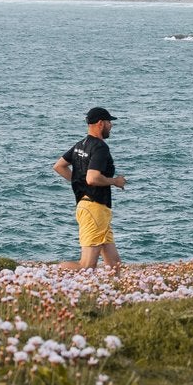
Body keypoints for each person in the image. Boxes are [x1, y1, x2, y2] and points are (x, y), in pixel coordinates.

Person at [53, 107, 125, 271]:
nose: (111, 126)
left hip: (91, 207)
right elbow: (92, 178)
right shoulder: (100, 147)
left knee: (115, 265)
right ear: (101, 123)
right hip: (94, 209)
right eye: (109, 122)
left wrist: (79, 182)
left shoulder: (81, 145)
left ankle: (115, 294)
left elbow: (59, 166)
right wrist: (115, 181)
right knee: (86, 266)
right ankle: (47, 275)